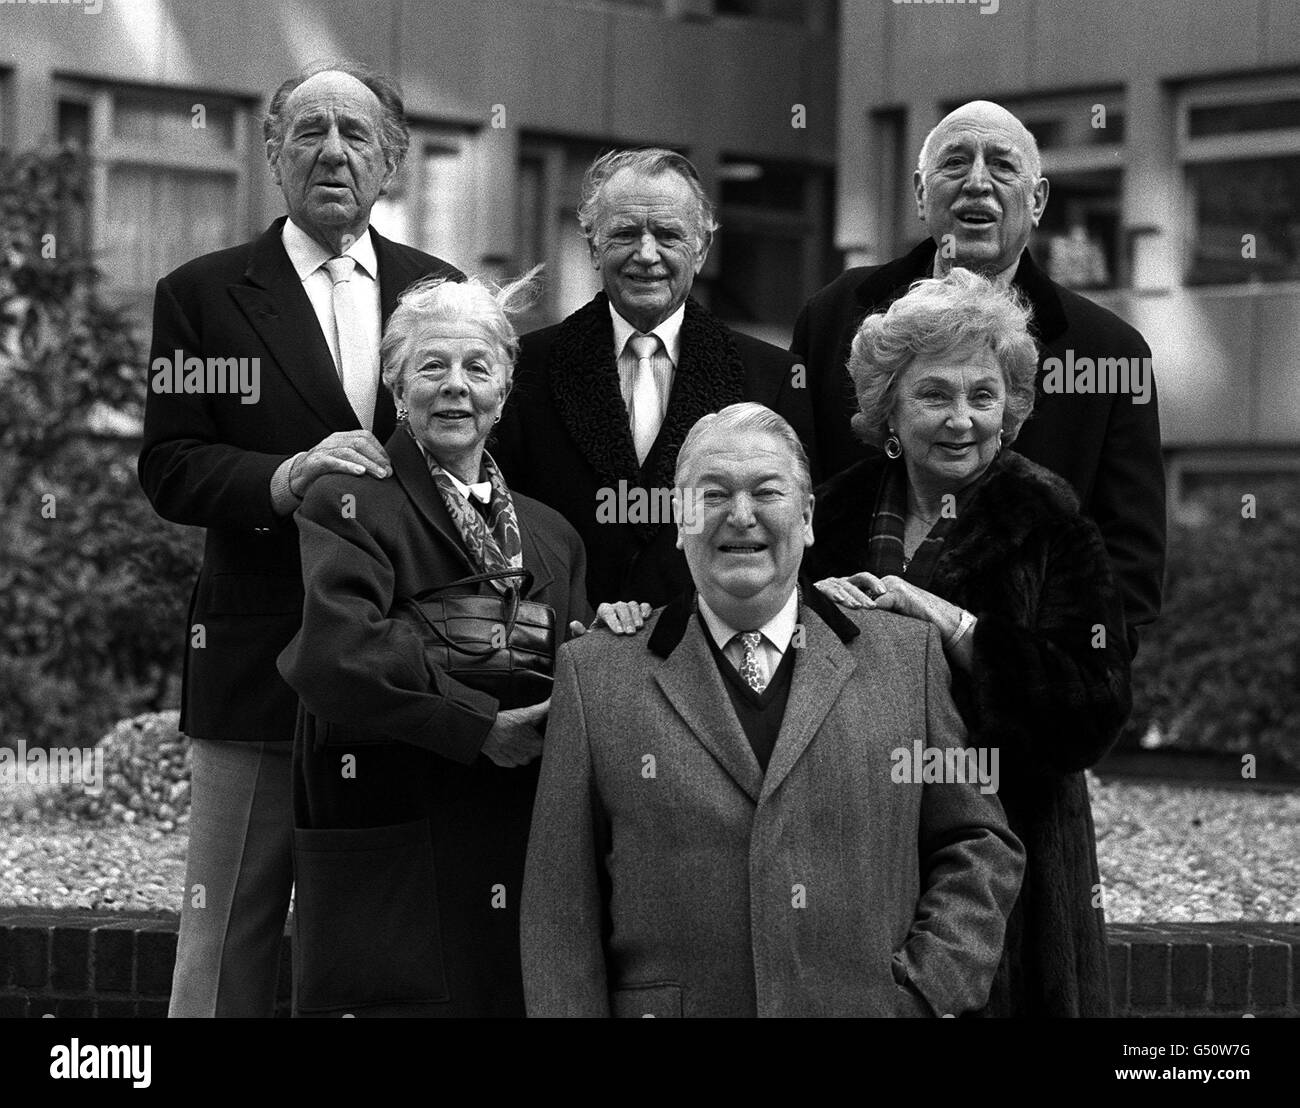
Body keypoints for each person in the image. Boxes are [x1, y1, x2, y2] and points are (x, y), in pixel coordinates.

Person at [137, 59, 461, 1017]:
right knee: (230, 923)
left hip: (402, 664)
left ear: (391, 161)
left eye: (356, 135)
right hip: (256, 659)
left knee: (373, 928)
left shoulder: (437, 293)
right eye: (309, 132)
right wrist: (281, 480)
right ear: (272, 154)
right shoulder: (201, 294)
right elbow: (171, 465)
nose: (332, 151)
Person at [520, 403, 1023, 1018]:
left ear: (807, 517)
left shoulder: (905, 658)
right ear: (678, 519)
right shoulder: (595, 676)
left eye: (767, 491)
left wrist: (926, 993)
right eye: (713, 494)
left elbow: (979, 842)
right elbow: (558, 910)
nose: (741, 515)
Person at [806, 269, 1132, 1017]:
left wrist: (956, 628)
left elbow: (1097, 705)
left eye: (983, 396)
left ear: (1010, 411)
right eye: (935, 394)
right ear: (888, 406)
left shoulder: (1049, 520)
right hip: (857, 839)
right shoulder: (829, 513)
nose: (962, 419)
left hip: (1010, 855)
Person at [277, 272, 589, 1017]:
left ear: (504, 392)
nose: (456, 388)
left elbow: (575, 669)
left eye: (478, 368)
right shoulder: (350, 501)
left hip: (518, 839)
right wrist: (480, 723)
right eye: (431, 366)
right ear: (395, 386)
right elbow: (339, 653)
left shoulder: (552, 533)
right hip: (397, 837)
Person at [792, 100, 1164, 657]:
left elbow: (1129, 575)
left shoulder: (1110, 352)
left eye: (1002, 166)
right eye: (956, 163)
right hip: (838, 680)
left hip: (1010, 706)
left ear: (1036, 200)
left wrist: (1005, 657)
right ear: (920, 192)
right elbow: (789, 494)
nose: (977, 183)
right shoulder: (834, 315)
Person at [494, 148, 818, 609]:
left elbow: (794, 537)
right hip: (564, 648)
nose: (646, 255)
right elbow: (504, 522)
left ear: (703, 248)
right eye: (625, 233)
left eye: (667, 235)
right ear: (591, 246)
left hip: (709, 648)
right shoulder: (525, 368)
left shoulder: (775, 379)